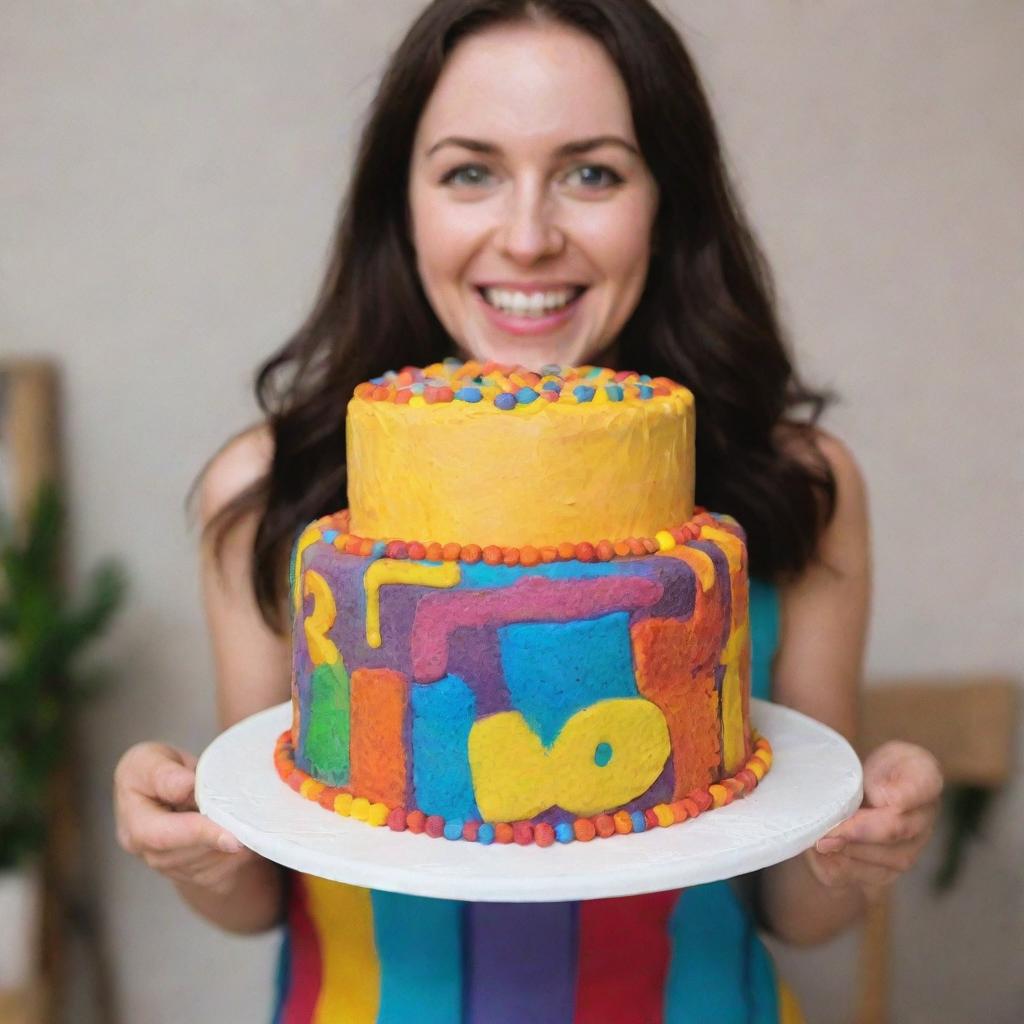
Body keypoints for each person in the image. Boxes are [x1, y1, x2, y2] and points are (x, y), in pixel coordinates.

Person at [114, 1, 943, 1019]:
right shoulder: (268, 486)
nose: (528, 236)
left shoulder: (797, 483)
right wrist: (188, 847)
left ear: (665, 198)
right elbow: (258, 879)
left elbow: (795, 902)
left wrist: (864, 847)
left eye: (591, 172)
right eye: (470, 171)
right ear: (401, 202)